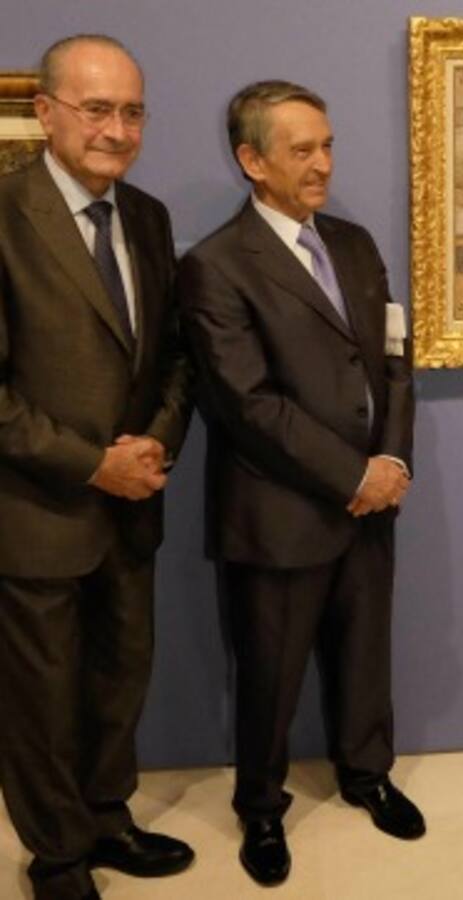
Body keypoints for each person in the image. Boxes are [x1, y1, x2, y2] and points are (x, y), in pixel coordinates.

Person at [178, 80, 422, 887]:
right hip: (277, 512)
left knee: (366, 655)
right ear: (252, 161)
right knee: (270, 674)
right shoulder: (215, 266)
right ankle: (261, 809)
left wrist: (391, 463)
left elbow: (394, 358)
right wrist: (354, 474)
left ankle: (367, 775)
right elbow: (247, 404)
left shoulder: (353, 244)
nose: (323, 164)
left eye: (328, 146)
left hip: (372, 503)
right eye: (302, 150)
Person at [0, 34, 193, 900]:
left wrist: (156, 443)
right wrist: (92, 466)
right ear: (45, 113)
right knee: (40, 701)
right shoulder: (5, 214)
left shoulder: (147, 217)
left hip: (133, 506)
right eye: (97, 109)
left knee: (121, 677)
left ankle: (108, 818)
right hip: (37, 515)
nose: (117, 130)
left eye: (133, 111)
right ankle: (58, 856)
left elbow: (175, 357)